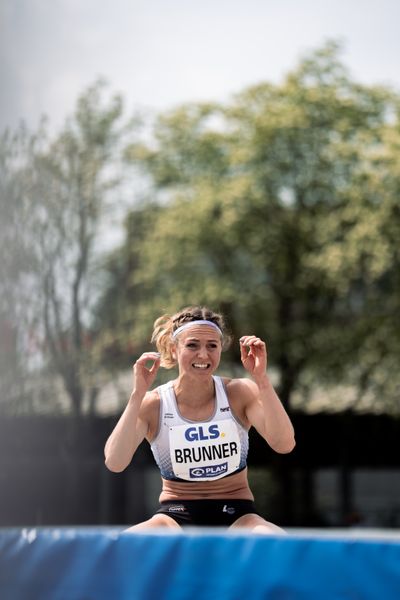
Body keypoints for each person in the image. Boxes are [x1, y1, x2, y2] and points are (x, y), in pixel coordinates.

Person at [104, 306, 295, 533]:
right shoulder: (153, 403)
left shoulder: (239, 392)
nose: (203, 355)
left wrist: (262, 380)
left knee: (273, 540)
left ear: (220, 350)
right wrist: (137, 395)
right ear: (174, 349)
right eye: (192, 345)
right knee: (123, 547)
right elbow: (115, 462)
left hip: (237, 512)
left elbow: (284, 444)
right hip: (175, 514)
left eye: (212, 346)